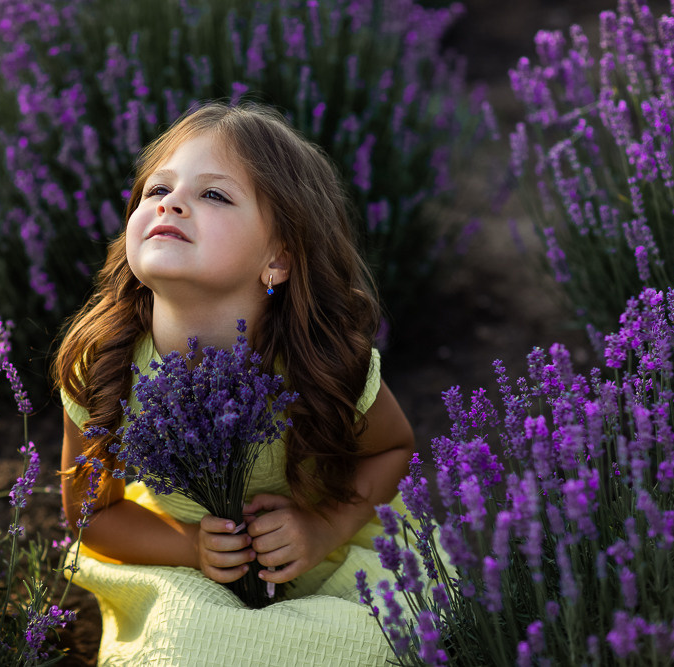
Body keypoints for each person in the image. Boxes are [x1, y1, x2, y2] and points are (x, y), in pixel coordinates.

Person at [54, 101, 416, 665]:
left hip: (332, 561)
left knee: (377, 641)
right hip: (186, 564)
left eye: (214, 195)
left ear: (278, 258)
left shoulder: (321, 359)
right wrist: (189, 548)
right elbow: (90, 515)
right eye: (156, 191)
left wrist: (322, 528)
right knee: (187, 651)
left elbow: (393, 448)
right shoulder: (104, 362)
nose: (171, 202)